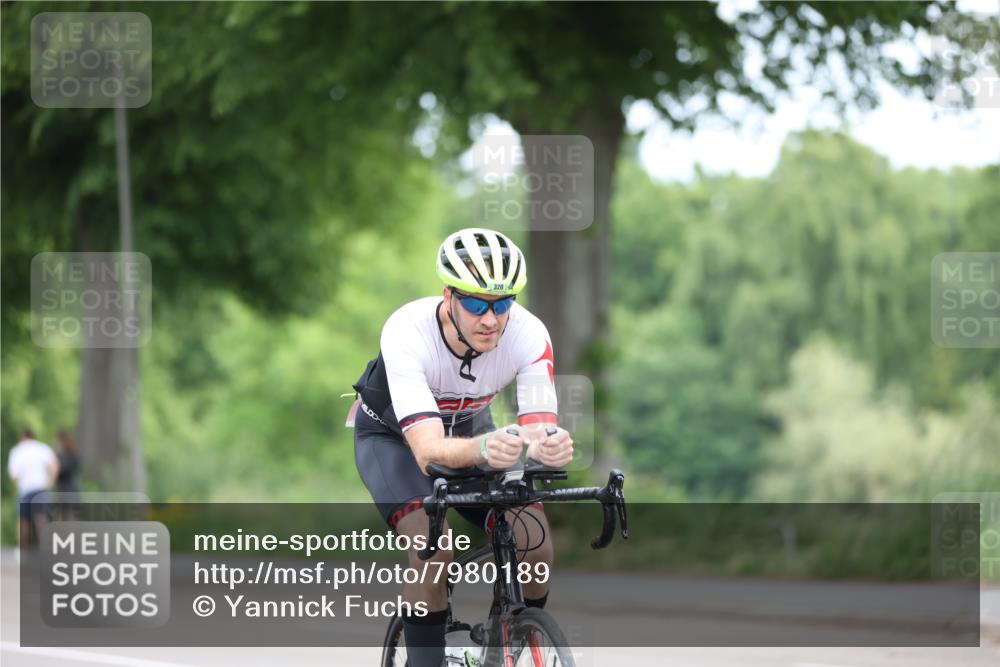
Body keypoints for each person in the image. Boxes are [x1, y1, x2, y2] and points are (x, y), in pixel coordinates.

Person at [352, 228, 573, 667]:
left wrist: (549, 444)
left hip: (473, 430)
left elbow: (538, 423)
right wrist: (488, 448)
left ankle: (511, 641)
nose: (490, 319)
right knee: (431, 548)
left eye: (503, 303)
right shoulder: (406, 330)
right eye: (475, 303)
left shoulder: (529, 333)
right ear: (448, 296)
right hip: (395, 440)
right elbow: (428, 451)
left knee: (537, 543)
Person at [8, 429, 59, 548]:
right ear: (33, 437)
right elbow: (55, 465)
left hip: (25, 489)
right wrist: (50, 482)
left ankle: (23, 548)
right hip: (41, 488)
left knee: (23, 520)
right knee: (41, 518)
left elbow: (14, 475)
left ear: (22, 437)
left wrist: (19, 486)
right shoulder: (42, 448)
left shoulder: (17, 450)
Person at [55, 429, 81, 517]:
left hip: (64, 489)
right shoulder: (73, 453)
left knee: (63, 516)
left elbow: (62, 470)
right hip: (74, 488)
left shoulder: (62, 454)